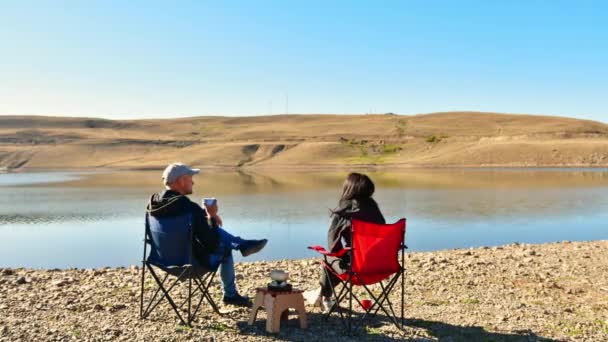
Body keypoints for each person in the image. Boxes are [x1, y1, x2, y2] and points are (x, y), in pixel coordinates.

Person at [146, 162, 268, 306]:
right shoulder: (190, 208)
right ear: (181, 181)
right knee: (225, 249)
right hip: (191, 265)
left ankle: (241, 244)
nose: (193, 181)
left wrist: (204, 218)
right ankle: (230, 294)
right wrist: (211, 217)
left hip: (161, 261)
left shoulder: (152, 205)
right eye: (190, 178)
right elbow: (211, 244)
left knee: (212, 231)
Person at [303, 172, 385, 311]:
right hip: (380, 267)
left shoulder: (344, 211)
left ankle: (325, 297)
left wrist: (340, 255)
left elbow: (333, 246)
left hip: (356, 270)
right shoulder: (374, 210)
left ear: (349, 189)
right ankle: (321, 295)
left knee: (329, 257)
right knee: (343, 258)